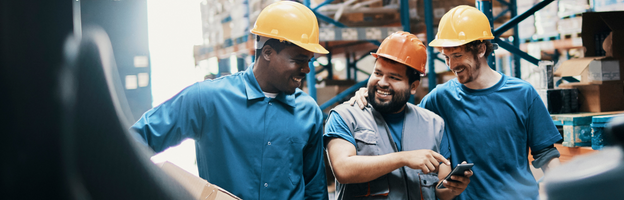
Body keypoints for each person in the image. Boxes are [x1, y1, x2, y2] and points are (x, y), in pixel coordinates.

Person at [348, 6, 563, 199]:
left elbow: (546, 153)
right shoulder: (439, 99)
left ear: (480, 49)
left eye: (457, 55)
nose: (451, 65)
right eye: (446, 57)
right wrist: (372, 94)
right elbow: (400, 118)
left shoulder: (522, 94)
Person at [131, 2, 329, 199]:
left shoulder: (309, 111)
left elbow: (315, 189)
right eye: (299, 60)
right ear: (267, 53)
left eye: (309, 61)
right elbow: (137, 139)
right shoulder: (208, 99)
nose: (307, 69)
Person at [324, 31, 472, 200]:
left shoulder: (433, 124)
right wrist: (404, 158)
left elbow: (441, 189)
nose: (382, 82)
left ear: (413, 86)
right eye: (378, 73)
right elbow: (343, 169)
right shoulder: (345, 116)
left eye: (394, 77)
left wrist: (453, 188)